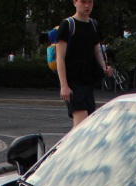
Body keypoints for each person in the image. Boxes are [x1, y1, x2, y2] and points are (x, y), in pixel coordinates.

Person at [55, 0, 112, 130]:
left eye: (90, 2)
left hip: (88, 82)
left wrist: (104, 66)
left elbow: (96, 50)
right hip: (73, 83)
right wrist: (64, 86)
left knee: (85, 128)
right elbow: (60, 57)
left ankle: (68, 149)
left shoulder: (93, 24)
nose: (87, 6)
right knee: (82, 127)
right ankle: (70, 150)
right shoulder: (68, 25)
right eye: (83, 2)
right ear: (75, 2)